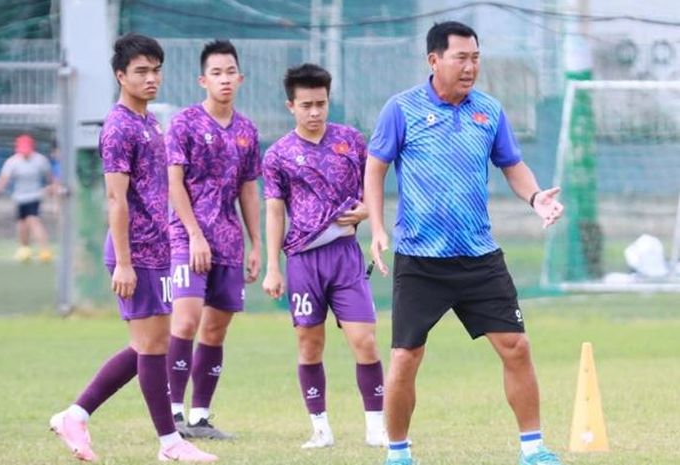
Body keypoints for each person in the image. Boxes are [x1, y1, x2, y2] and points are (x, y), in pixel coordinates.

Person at [364, 21, 566, 465]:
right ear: (434, 60)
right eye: (461, 57)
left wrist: (535, 198)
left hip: (479, 256)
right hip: (421, 259)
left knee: (517, 346)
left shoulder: (489, 111)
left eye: (475, 57)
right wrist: (378, 228)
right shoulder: (401, 109)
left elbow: (512, 164)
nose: (470, 66)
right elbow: (375, 168)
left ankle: (533, 449)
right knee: (405, 357)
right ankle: (397, 453)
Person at [49, 33, 217, 463]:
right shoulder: (120, 127)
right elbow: (114, 199)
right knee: (154, 349)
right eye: (141, 71)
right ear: (120, 76)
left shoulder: (150, 122)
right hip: (134, 254)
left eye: (156, 69)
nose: (151, 78)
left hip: (157, 251)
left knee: (150, 344)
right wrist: (123, 262)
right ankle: (169, 443)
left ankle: (76, 414)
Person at [262, 63, 386, 449]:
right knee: (309, 344)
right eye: (306, 105)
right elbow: (275, 210)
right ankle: (320, 428)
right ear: (291, 106)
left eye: (321, 103)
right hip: (303, 261)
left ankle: (376, 426)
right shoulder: (278, 155)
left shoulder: (351, 140)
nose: (314, 112)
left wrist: (367, 211)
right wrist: (272, 268)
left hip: (345, 255)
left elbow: (374, 184)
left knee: (364, 341)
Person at [165, 39, 261, 440]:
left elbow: (248, 191)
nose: (224, 80)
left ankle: (201, 417)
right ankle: (171, 413)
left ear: (240, 78)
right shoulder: (184, 123)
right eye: (216, 73)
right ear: (202, 80)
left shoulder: (246, 130)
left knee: (216, 330)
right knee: (186, 320)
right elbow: (173, 183)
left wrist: (257, 245)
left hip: (229, 242)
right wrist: (194, 234)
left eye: (230, 72)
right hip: (188, 239)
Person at [0, 134, 55, 262]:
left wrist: (53, 188)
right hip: (20, 197)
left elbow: (50, 177)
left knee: (33, 221)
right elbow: (4, 179)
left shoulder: (40, 160)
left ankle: (45, 250)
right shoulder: (12, 162)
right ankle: (24, 249)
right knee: (22, 224)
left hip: (34, 196)